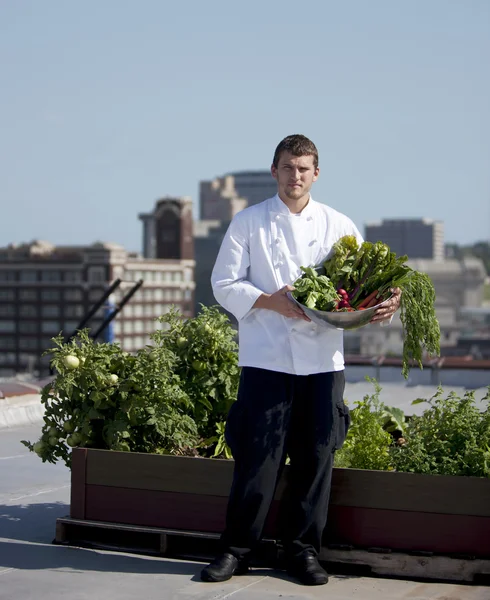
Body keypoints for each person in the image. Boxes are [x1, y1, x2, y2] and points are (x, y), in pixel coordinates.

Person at [201, 134, 401, 586]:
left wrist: (383, 304)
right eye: (288, 167)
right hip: (265, 359)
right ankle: (236, 550)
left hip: (322, 361)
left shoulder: (340, 225)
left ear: (316, 174)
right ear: (275, 171)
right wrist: (270, 302)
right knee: (257, 458)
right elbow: (223, 283)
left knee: (315, 459)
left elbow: (359, 293)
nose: (296, 176)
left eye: (304, 168)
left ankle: (304, 551)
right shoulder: (248, 223)